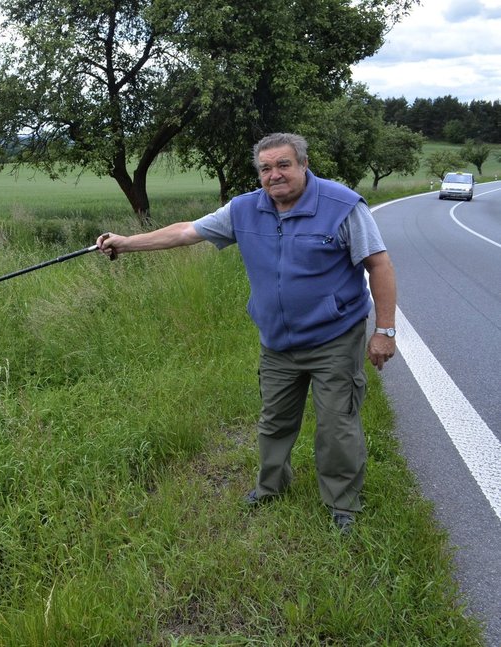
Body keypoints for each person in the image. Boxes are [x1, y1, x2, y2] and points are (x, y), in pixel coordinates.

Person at [97, 133, 397, 534]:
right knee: (274, 421)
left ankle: (342, 504)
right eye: (265, 168)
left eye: (283, 165)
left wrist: (385, 330)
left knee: (336, 426)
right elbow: (188, 231)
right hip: (277, 341)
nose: (274, 175)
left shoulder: (342, 206)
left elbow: (379, 265)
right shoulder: (244, 210)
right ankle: (271, 487)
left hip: (334, 338)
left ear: (304, 164)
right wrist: (127, 243)